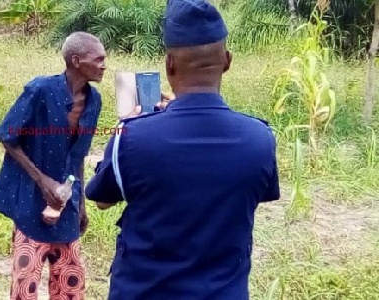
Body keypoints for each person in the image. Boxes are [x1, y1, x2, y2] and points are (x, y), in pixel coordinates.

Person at [84, 0, 281, 299]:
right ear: (227, 61)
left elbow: (101, 200)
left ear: (169, 64)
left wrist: (136, 127)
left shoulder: (132, 136)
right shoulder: (260, 139)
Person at [0, 31, 107, 299]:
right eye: (98, 59)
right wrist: (43, 182)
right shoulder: (41, 90)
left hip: (67, 205)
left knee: (70, 287)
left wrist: (80, 207)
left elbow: (77, 157)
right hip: (31, 203)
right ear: (76, 61)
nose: (104, 65)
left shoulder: (94, 101)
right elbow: (6, 135)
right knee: (25, 286)